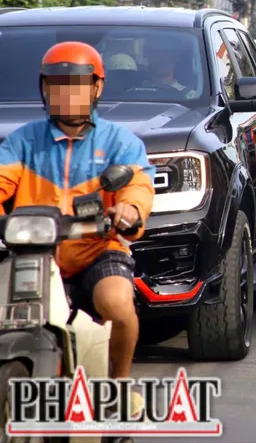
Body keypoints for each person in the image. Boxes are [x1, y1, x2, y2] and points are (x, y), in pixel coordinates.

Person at [0, 42, 155, 380]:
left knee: (116, 302)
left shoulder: (121, 142)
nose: (66, 94)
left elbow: (138, 184)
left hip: (98, 250)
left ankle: (120, 385)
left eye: (76, 86)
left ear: (96, 87)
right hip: (31, 253)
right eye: (56, 85)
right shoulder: (22, 141)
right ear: (44, 88)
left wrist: (128, 209)